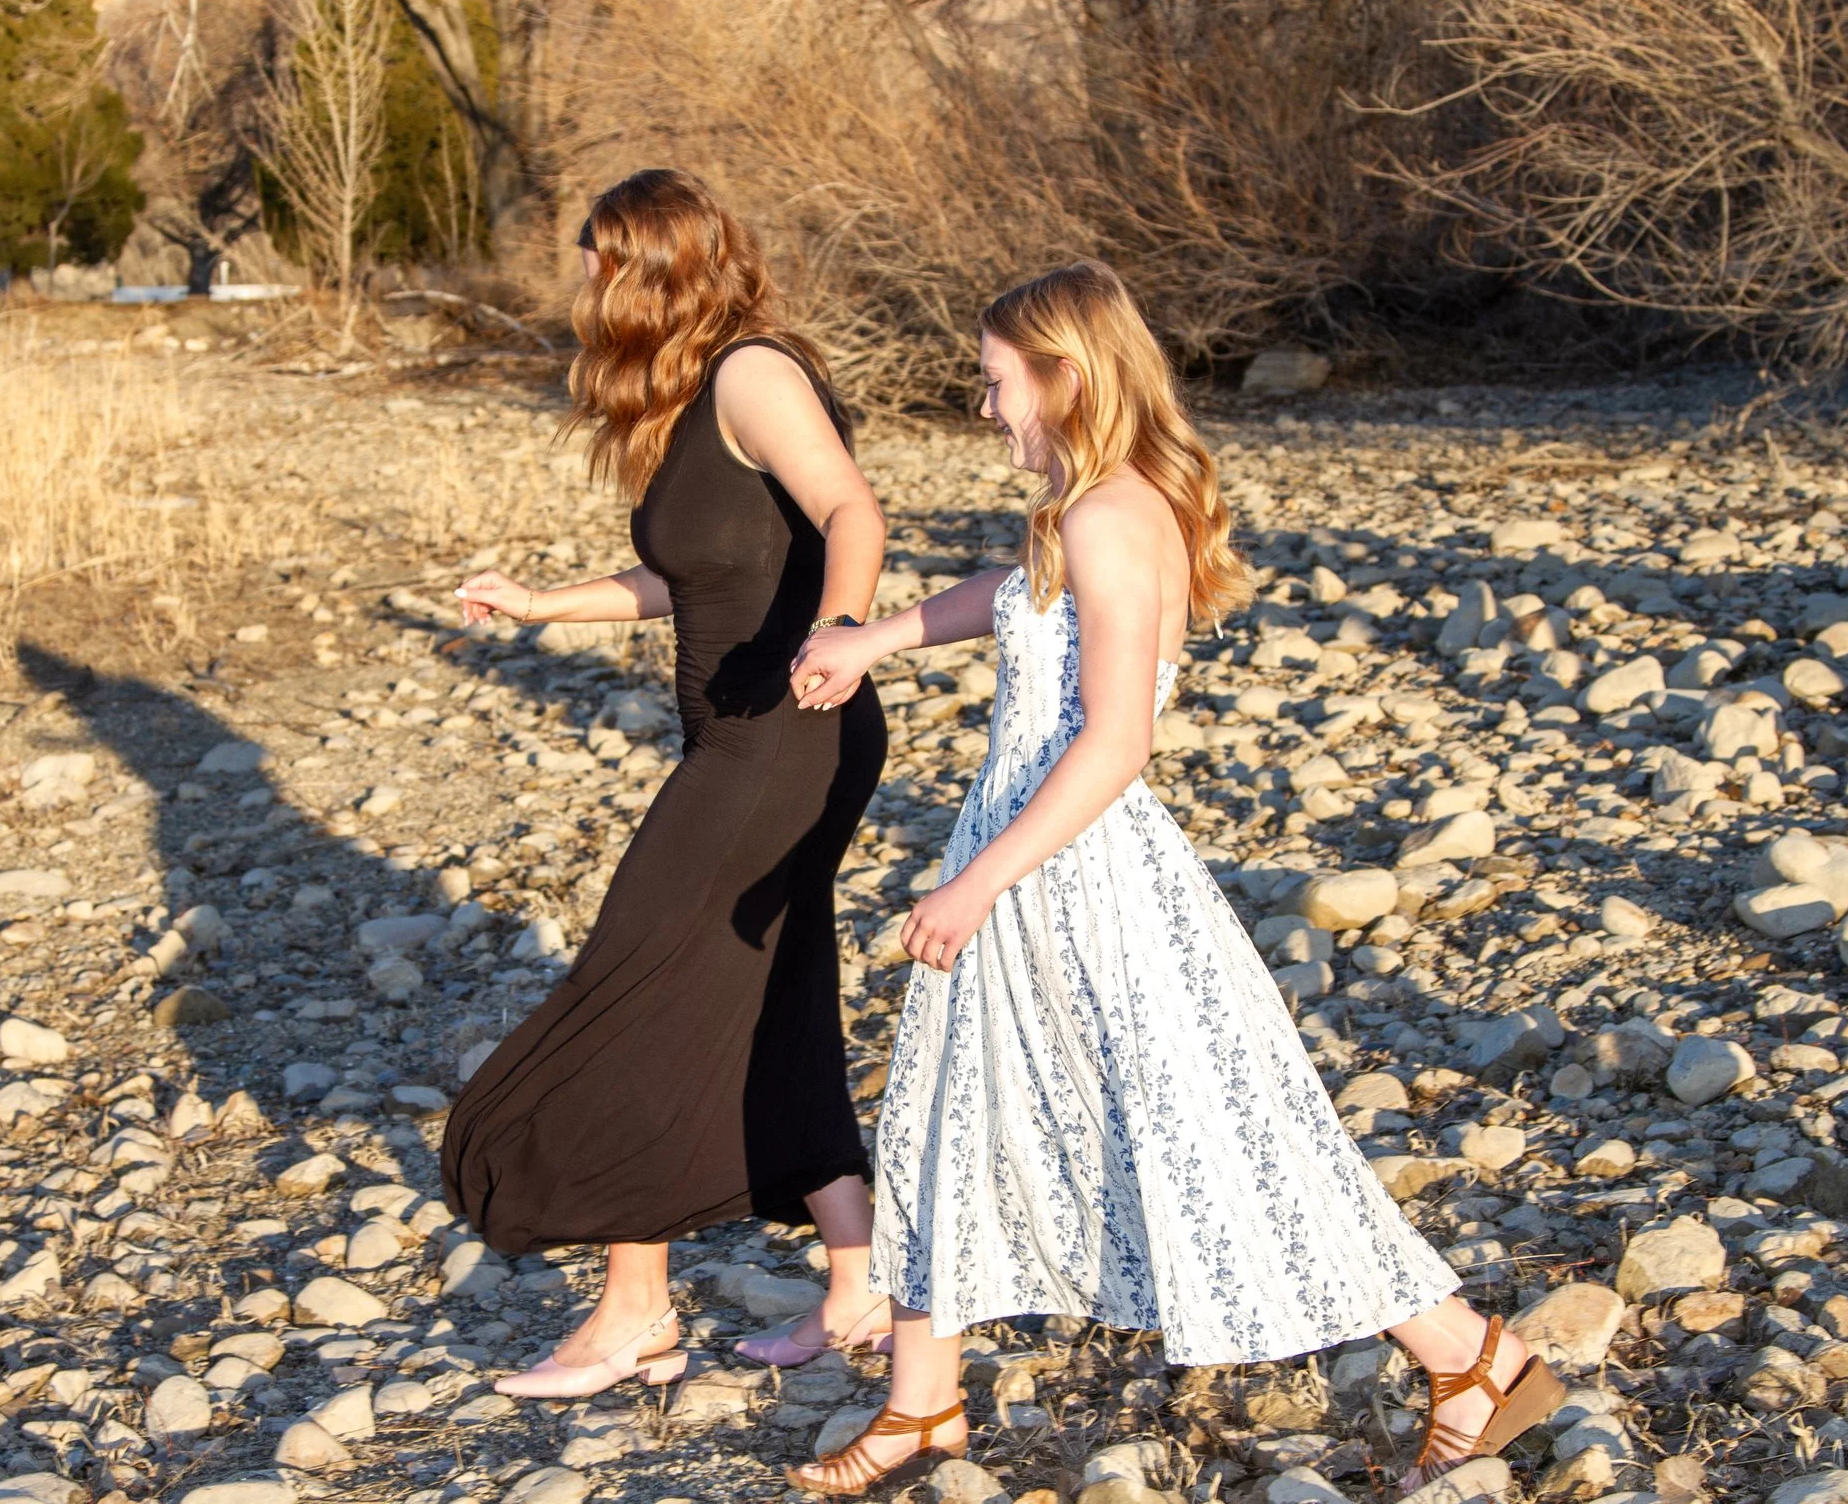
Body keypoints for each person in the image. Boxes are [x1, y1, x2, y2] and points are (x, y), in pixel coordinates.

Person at [780, 261, 1566, 1495]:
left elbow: (1116, 737)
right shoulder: (1081, 508)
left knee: (1216, 1128)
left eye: (996, 382)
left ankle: (1471, 1354)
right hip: (1033, 848)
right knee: (946, 1105)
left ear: (1065, 376)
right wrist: (876, 636)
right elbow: (1017, 598)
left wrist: (976, 881)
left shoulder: (1108, 512)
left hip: (1074, 866)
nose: (984, 407)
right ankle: (921, 1402)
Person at [440, 169, 899, 1396]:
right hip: (744, 742)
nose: (584, 278)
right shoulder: (689, 395)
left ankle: (634, 1307)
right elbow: (696, 579)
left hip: (784, 738)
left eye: (598, 257)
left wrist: (839, 632)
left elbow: (854, 509)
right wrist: (548, 602)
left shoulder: (754, 372)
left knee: (634, 985)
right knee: (777, 993)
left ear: (649, 264)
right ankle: (858, 1283)